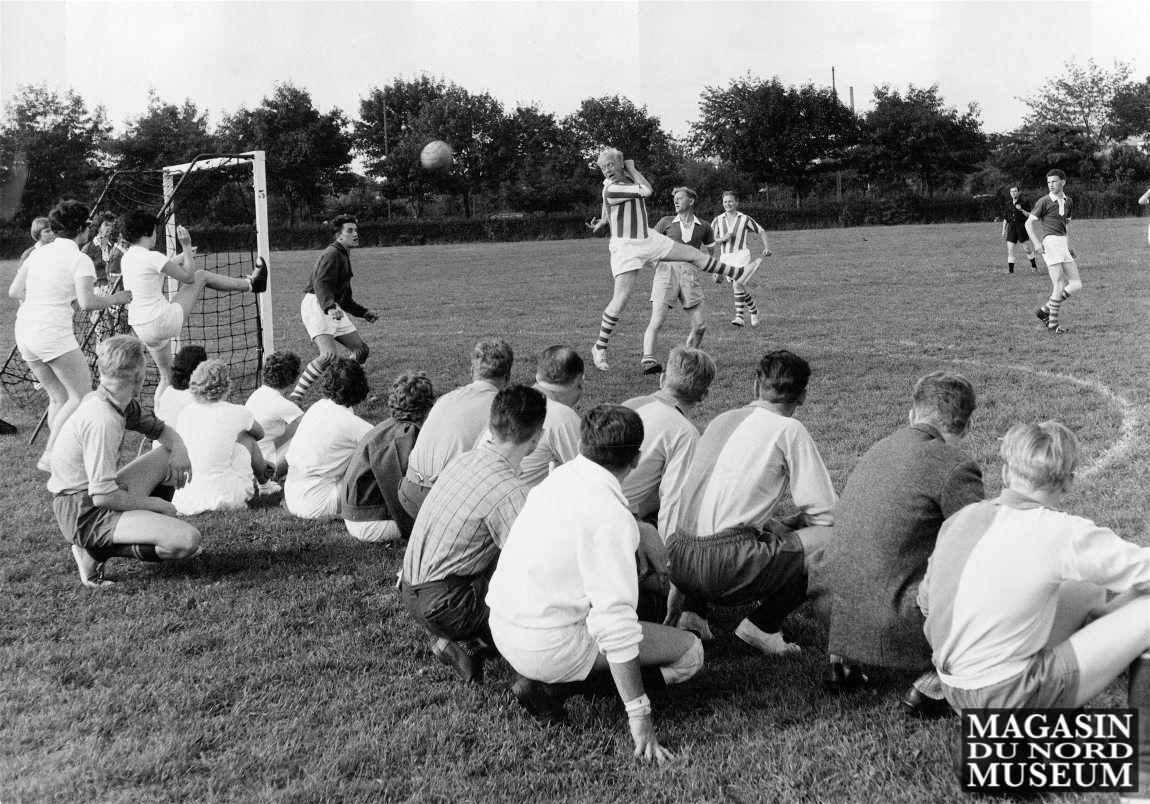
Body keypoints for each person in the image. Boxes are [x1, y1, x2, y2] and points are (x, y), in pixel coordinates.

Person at [487, 405, 703, 765]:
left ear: (584, 444)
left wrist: (643, 527)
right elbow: (615, 625)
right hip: (547, 644)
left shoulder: (558, 477)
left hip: (505, 625)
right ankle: (555, 689)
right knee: (690, 652)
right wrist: (640, 717)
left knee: (639, 605)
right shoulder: (609, 518)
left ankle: (555, 679)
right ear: (636, 459)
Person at [920, 422, 1149, 727]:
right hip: (1010, 695)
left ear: (1005, 473)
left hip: (955, 688)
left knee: (1086, 588)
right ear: (1068, 482)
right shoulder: (1061, 532)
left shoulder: (961, 519)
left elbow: (926, 603)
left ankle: (1090, 663)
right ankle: (1144, 764)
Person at [822, 371, 983, 717]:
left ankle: (843, 662)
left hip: (834, 611)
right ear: (966, 425)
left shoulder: (878, 448)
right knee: (992, 576)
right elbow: (976, 547)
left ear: (913, 414)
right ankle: (935, 683)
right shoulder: (955, 465)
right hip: (893, 619)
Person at [667, 349, 837, 652]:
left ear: (754, 387)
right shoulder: (789, 429)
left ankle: (693, 613)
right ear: (803, 396)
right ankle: (763, 625)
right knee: (835, 538)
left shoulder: (721, 419)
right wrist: (798, 529)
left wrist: (781, 528)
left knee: (746, 526)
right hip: (722, 567)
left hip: (678, 557)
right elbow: (826, 514)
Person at [402, 384, 547, 682]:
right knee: (538, 613)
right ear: (536, 438)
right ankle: (479, 643)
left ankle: (456, 642)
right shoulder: (511, 491)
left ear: (491, 425)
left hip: (410, 592)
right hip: (446, 604)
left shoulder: (462, 461)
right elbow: (534, 566)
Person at [47, 335, 200, 587]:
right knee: (186, 541)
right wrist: (157, 505)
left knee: (166, 454)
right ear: (139, 377)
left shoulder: (116, 400)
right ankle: (93, 550)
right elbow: (103, 496)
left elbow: (163, 432)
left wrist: (181, 450)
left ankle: (121, 534)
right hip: (83, 512)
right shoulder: (102, 419)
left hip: (93, 497)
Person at [587, 149, 761, 372]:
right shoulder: (616, 186)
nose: (607, 171)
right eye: (603, 168)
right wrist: (632, 169)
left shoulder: (612, 182)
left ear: (618, 163)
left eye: (610, 165)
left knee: (692, 254)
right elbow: (646, 191)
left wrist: (603, 219)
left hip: (648, 238)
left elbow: (604, 197)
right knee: (620, 299)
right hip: (627, 247)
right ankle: (599, 347)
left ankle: (738, 273)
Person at [10, 200, 133, 472]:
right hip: (51, 333)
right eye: (89, 225)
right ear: (82, 228)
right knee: (80, 395)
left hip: (25, 331)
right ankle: (52, 452)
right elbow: (87, 302)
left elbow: (14, 291)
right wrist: (118, 297)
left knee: (59, 398)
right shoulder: (80, 258)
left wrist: (44, 299)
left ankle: (61, 457)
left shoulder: (37, 254)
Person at [119, 208, 267, 408]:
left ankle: (160, 419)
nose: (156, 234)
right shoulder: (152, 256)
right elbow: (189, 276)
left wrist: (181, 256)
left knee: (166, 377)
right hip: (162, 321)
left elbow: (157, 270)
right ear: (148, 233)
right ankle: (252, 284)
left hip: (142, 327)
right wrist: (187, 248)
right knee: (201, 276)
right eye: (154, 231)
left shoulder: (128, 257)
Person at [621, 346, 715, 584]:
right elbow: (675, 505)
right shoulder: (684, 433)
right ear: (704, 395)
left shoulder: (631, 403)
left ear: (663, 379)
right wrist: (670, 570)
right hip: (625, 525)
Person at [399, 338, 513, 519]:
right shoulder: (502, 409)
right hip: (444, 500)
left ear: (471, 371)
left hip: (409, 493)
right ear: (507, 377)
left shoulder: (446, 398)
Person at [288, 215, 378, 402]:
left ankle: (347, 386)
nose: (355, 234)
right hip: (317, 304)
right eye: (350, 230)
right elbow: (321, 284)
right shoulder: (332, 254)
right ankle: (296, 397)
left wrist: (363, 312)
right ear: (339, 235)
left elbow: (344, 298)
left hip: (330, 305)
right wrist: (329, 307)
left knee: (361, 350)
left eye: (356, 230)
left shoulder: (343, 255)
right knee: (328, 356)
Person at [341, 370, 436, 543]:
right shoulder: (403, 436)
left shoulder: (387, 427)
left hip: (358, 514)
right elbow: (397, 492)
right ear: (427, 406)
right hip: (369, 521)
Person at [171, 360, 271, 515]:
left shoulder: (185, 412)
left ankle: (262, 481)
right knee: (246, 438)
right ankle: (265, 485)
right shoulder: (237, 411)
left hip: (185, 499)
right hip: (226, 499)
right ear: (226, 386)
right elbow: (260, 434)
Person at [474, 345, 582, 488]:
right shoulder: (563, 417)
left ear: (538, 376)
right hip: (513, 503)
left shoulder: (511, 402)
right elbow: (589, 476)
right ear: (578, 380)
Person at [284, 358, 373, 520]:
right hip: (317, 503)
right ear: (360, 387)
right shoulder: (357, 426)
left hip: (292, 493)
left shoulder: (317, 407)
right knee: (374, 466)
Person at [640, 187, 713, 375]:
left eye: (680, 198)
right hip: (666, 271)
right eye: (675, 199)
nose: (676, 201)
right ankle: (648, 360)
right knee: (657, 319)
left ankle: (687, 358)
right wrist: (656, 264)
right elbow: (648, 244)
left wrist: (716, 271)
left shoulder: (704, 226)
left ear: (691, 201)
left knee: (700, 326)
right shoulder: (665, 222)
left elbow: (711, 250)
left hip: (690, 273)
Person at [1025, 169, 1079, 333]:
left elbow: (1067, 224)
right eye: (1049, 182)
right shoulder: (1044, 201)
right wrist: (1036, 243)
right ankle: (1053, 324)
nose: (1051, 185)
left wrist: (1068, 245)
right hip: (1051, 243)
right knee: (1059, 284)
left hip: (1062, 243)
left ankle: (1044, 311)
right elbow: (1028, 223)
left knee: (1076, 284)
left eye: (1054, 181)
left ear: (1063, 182)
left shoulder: (1068, 201)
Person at [710, 191, 771, 328]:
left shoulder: (745, 219)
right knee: (740, 286)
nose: (728, 204)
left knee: (737, 284)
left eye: (730, 201)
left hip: (741, 255)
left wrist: (767, 248)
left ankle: (739, 317)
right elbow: (711, 239)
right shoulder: (717, 220)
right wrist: (722, 239)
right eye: (725, 202)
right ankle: (754, 310)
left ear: (736, 202)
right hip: (725, 257)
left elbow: (761, 231)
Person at [245, 351, 304, 480]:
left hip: (248, 464)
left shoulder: (258, 394)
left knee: (295, 430)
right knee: (307, 439)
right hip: (264, 471)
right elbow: (311, 424)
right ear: (293, 379)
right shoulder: (282, 404)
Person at [155, 344, 208, 429]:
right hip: (181, 440)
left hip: (161, 439)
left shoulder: (168, 391)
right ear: (198, 370)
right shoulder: (197, 398)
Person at [1000, 186, 1037, 274]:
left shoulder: (1024, 203)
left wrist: (1021, 210)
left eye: (1015, 191)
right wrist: (1003, 230)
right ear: (1010, 193)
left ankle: (1034, 265)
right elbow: (1005, 219)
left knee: (1026, 249)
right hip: (1011, 229)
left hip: (1022, 227)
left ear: (1018, 192)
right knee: (1010, 250)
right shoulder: (1008, 205)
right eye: (1011, 191)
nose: (1013, 193)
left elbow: (1030, 215)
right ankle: (1011, 271)